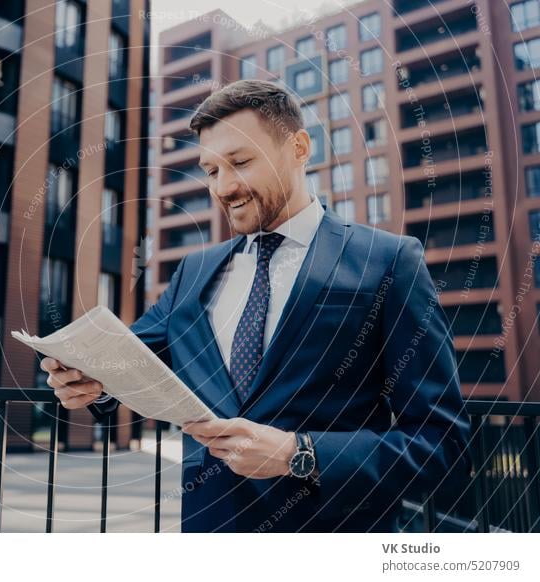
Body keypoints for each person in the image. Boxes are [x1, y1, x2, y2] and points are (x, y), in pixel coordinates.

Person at [40, 79, 472, 532]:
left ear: (300, 148)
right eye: (210, 171)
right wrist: (90, 382)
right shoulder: (193, 272)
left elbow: (442, 441)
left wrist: (299, 454)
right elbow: (131, 362)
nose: (224, 187)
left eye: (240, 163)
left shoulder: (389, 262)